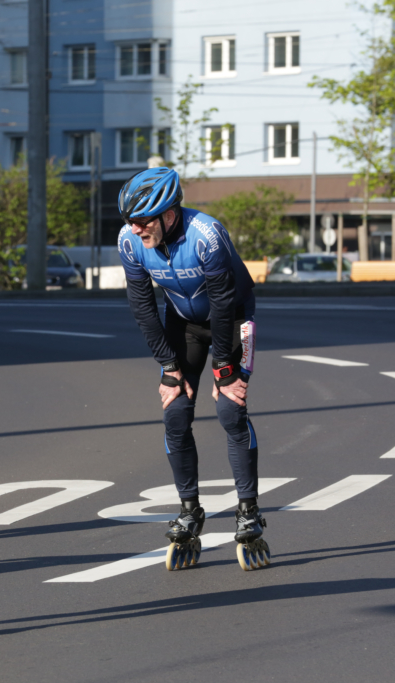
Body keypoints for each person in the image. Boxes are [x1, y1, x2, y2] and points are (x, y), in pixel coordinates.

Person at [116, 167, 268, 572]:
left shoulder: (207, 235)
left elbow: (224, 303)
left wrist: (224, 369)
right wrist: (168, 366)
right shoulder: (130, 242)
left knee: (230, 410)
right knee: (176, 412)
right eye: (130, 220)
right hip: (182, 324)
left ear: (169, 215)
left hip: (232, 319)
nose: (135, 229)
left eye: (143, 220)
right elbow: (142, 306)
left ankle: (248, 510)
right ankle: (189, 510)